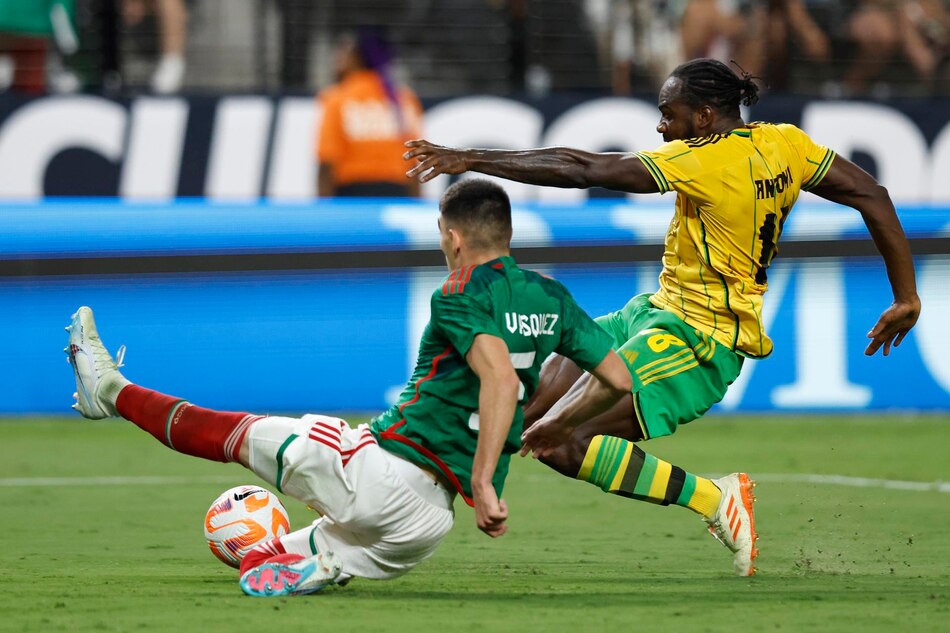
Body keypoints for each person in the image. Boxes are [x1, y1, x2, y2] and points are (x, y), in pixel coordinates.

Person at [404, 58, 921, 576]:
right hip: (654, 313)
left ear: (704, 117)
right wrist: (906, 296)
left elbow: (585, 168)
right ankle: (415, 493)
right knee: (529, 406)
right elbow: (871, 194)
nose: (661, 127)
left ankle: (714, 498)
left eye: (669, 114)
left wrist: (470, 158)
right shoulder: (786, 143)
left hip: (700, 341)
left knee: (561, 440)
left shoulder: (703, 160)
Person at [66, 178, 634, 596]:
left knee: (227, 431)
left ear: (454, 237)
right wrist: (556, 424)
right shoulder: (550, 297)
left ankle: (108, 390)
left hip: (382, 472)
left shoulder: (459, 290)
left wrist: (484, 482)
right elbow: (617, 380)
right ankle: (324, 563)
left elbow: (501, 379)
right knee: (258, 563)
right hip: (424, 528)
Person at [316, 28, 423, 197]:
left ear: (356, 58)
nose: (336, 59)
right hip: (397, 195)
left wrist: (324, 207)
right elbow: (414, 163)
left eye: (342, 52)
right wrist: (415, 205)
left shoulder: (337, 98)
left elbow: (327, 162)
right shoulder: (404, 99)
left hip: (351, 197)